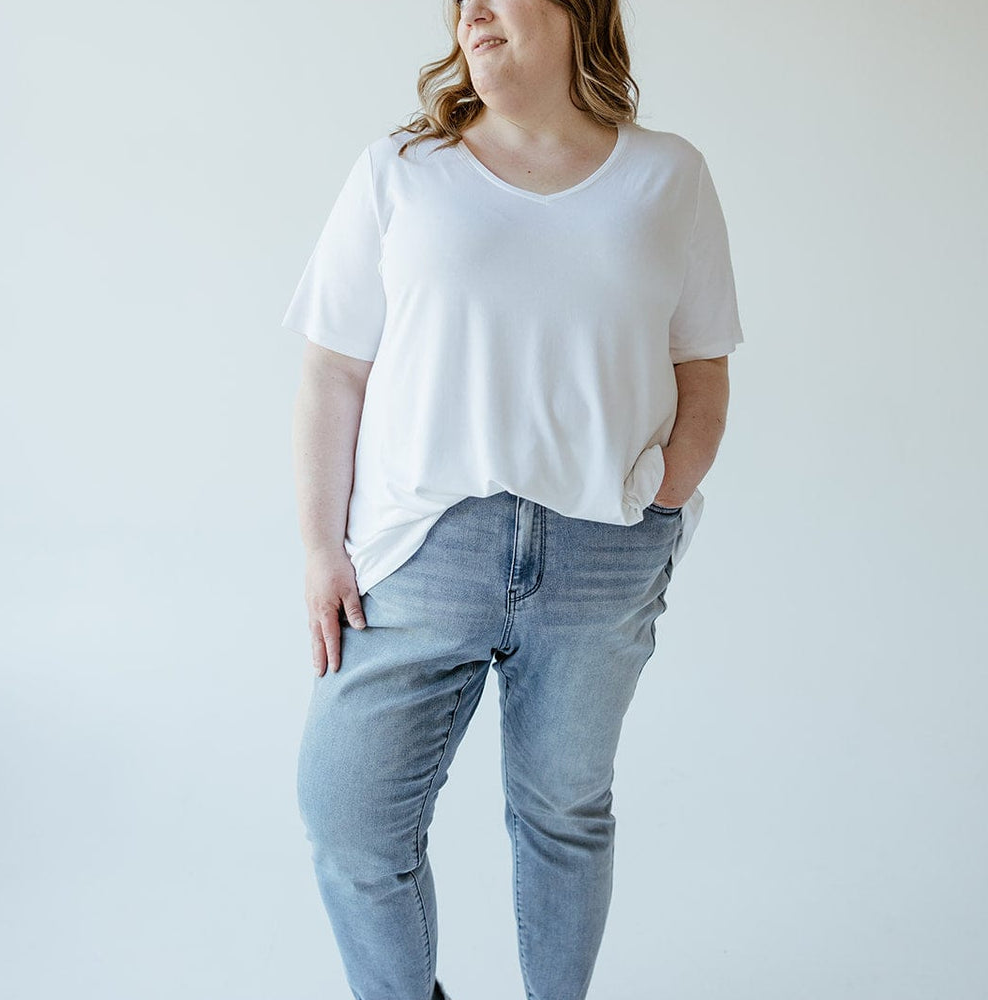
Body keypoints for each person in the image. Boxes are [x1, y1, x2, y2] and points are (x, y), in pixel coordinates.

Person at [281, 2, 744, 998]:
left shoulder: (668, 176)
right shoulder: (401, 173)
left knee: (563, 817)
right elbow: (333, 373)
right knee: (349, 818)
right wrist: (323, 546)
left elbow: (701, 371)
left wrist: (661, 495)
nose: (470, 10)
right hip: (419, 548)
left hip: (602, 550)